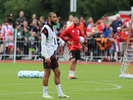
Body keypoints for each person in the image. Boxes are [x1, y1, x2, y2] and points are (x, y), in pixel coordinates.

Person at [41, 12, 69, 98]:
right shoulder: (45, 28)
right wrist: (46, 56)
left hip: (52, 53)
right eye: (54, 17)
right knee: (47, 73)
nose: (56, 19)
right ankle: (45, 94)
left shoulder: (52, 28)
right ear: (49, 18)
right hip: (48, 55)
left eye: (56, 17)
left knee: (58, 72)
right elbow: (43, 43)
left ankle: (60, 93)